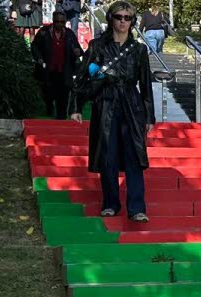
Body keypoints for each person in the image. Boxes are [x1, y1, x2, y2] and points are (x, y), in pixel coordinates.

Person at [70, 1, 155, 222]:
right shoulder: (98, 46)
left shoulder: (139, 49)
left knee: (134, 157)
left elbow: (145, 84)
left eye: (128, 18)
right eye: (119, 17)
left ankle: (137, 208)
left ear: (133, 21)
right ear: (110, 18)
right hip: (105, 104)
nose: (123, 22)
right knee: (107, 155)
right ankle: (110, 203)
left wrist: (149, 116)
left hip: (131, 104)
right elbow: (81, 77)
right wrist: (76, 107)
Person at [32, 11, 84, 120]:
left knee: (63, 95)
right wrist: (40, 59)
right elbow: (34, 46)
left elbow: (78, 48)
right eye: (57, 21)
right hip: (48, 69)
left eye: (62, 22)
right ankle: (49, 107)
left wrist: (77, 51)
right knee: (48, 93)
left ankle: (61, 116)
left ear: (65, 22)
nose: (59, 24)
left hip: (64, 70)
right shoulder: (44, 32)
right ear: (53, 21)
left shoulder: (69, 34)